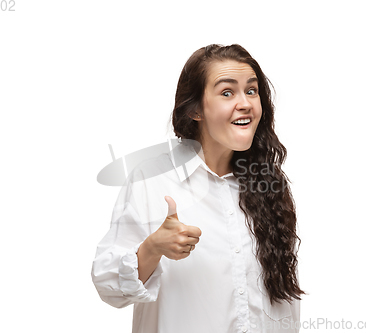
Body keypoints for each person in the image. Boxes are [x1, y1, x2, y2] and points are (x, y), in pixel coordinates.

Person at [91, 44, 304, 333]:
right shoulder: (152, 180)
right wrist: (152, 248)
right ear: (195, 110)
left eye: (251, 91)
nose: (245, 103)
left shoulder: (270, 184)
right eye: (227, 92)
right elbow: (108, 284)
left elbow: (282, 307)